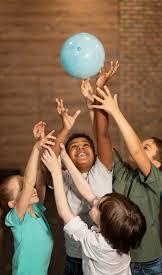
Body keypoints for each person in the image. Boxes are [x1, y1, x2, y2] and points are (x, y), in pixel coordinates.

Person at [91, 86, 162, 275]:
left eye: (146, 147)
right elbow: (101, 137)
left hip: (149, 264)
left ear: (156, 164)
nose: (137, 146)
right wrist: (97, 100)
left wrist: (116, 110)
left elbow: (135, 150)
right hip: (121, 260)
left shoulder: (156, 181)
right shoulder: (123, 172)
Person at [48, 62, 119, 275]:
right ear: (66, 155)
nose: (80, 148)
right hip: (76, 257)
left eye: (85, 145)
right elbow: (52, 153)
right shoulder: (65, 175)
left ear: (95, 154)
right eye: (74, 147)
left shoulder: (102, 168)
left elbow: (102, 134)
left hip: (104, 255)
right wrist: (65, 128)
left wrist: (98, 91)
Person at [41, 144, 146, 275]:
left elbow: (64, 212)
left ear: (104, 224)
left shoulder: (97, 245)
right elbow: (89, 193)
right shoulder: (121, 235)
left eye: (97, 206)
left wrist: (56, 172)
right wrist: (65, 157)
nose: (94, 201)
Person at [0, 122, 55, 275]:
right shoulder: (16, 217)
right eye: (22, 189)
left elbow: (36, 176)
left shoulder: (37, 209)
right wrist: (36, 147)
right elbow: (30, 182)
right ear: (12, 203)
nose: (28, 189)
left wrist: (41, 143)